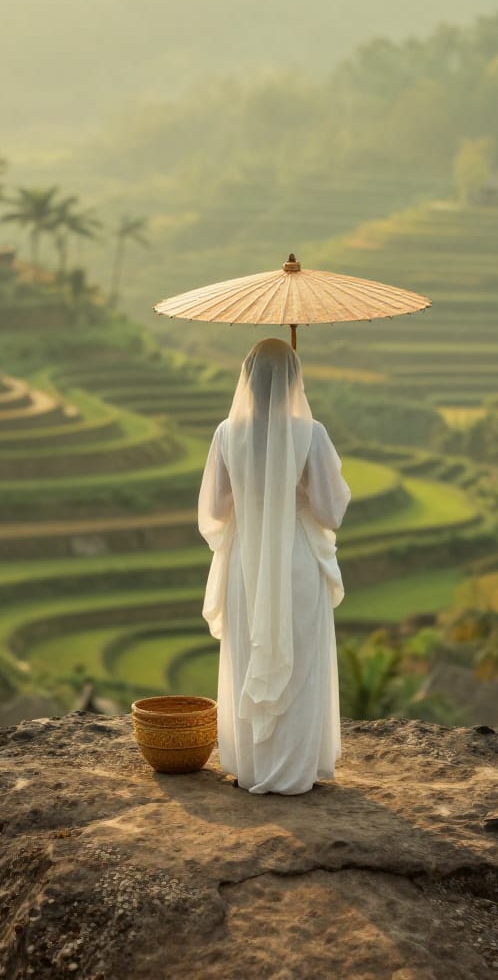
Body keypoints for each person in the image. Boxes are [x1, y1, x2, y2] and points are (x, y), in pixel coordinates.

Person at [198, 337, 351, 795]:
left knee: (250, 649)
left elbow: (217, 510)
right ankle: (295, 768)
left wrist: (256, 494)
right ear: (293, 381)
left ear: (247, 379)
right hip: (296, 561)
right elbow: (330, 512)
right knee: (300, 658)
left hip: (249, 562)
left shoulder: (228, 433)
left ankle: (253, 764)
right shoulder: (313, 433)